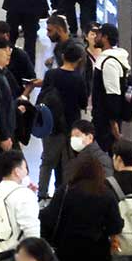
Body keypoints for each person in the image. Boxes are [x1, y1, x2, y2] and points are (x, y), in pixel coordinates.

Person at [38, 42, 89, 194]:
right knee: (68, 161)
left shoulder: (50, 74)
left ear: (62, 56)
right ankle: (64, 191)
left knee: (47, 161)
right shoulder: (78, 79)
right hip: (71, 125)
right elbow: (83, 103)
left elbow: (43, 95)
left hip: (50, 123)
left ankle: (42, 193)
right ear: (79, 60)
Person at [91, 24, 130, 153]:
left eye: (98, 35)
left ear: (105, 37)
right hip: (102, 119)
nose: (95, 37)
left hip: (105, 124)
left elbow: (113, 95)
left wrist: (114, 128)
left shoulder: (109, 63)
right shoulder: (107, 59)